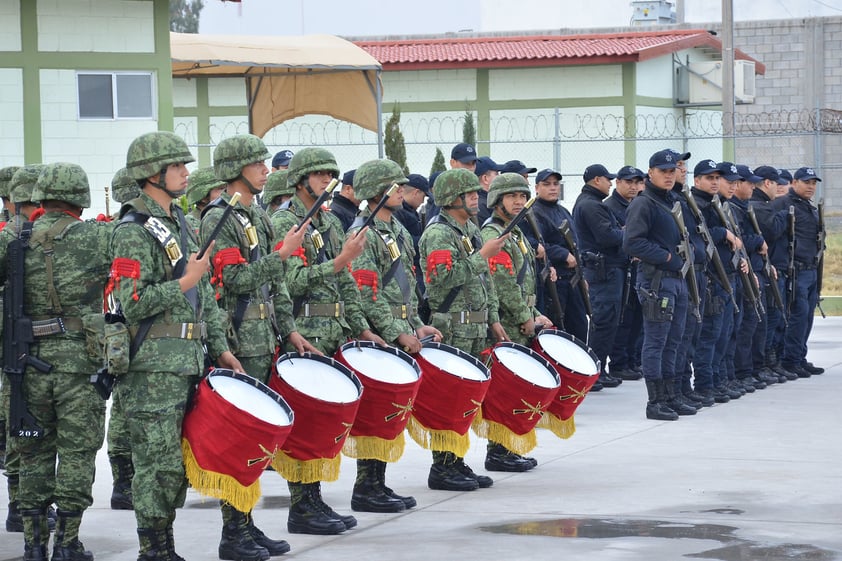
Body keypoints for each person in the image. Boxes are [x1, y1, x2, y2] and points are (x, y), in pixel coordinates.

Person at [109, 131, 243, 561]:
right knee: (156, 466)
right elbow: (131, 303)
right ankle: (154, 549)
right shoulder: (132, 230)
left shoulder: (178, 222)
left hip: (186, 362)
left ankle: (165, 545)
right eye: (177, 166)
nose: (186, 173)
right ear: (152, 174)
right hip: (151, 370)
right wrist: (182, 282)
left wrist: (219, 347)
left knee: (176, 467)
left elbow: (203, 296)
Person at [204, 134, 317, 559]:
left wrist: (288, 330)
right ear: (235, 169)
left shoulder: (255, 216)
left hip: (263, 339)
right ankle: (234, 533)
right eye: (257, 163)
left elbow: (276, 285)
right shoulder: (221, 217)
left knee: (255, 443)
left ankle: (246, 526)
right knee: (240, 439)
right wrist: (283, 255)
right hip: (238, 341)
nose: (266, 170)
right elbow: (232, 281)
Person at [270, 147, 385, 535]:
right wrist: (339, 262)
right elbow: (291, 281)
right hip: (305, 334)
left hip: (333, 333)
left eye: (329, 174)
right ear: (300, 180)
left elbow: (346, 282)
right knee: (307, 422)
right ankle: (301, 506)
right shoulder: (286, 222)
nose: (325, 180)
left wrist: (361, 326)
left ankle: (314, 500)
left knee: (324, 423)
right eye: (318, 174)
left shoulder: (330, 222)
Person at [1, 162, 110, 561]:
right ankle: (66, 542)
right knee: (77, 453)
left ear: (41, 197)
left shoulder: (14, 239)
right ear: (80, 198)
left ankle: (32, 545)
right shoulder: (97, 237)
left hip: (27, 364)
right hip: (80, 365)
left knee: (33, 453)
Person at [346, 159, 441, 512]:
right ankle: (365, 487)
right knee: (378, 412)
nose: (401, 191)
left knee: (391, 413)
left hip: (402, 331)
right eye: (394, 186)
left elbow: (405, 288)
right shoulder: (363, 234)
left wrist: (416, 324)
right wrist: (396, 333)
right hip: (384, 338)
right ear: (375, 191)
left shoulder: (396, 230)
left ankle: (378, 483)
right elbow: (366, 295)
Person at [419, 168, 507, 491]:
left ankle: (456, 460)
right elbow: (441, 280)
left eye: (475, 193)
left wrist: (493, 317)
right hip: (452, 327)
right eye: (469, 194)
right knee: (448, 400)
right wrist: (482, 256)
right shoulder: (438, 234)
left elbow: (486, 280)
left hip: (475, 326)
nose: (476, 198)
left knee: (465, 402)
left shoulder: (469, 228)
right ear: (450, 199)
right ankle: (442, 466)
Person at [480, 172, 552, 472]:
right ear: (497, 200)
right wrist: (525, 317)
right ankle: (497, 452)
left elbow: (524, 282)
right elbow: (503, 283)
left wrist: (534, 314)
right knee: (505, 391)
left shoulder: (516, 233)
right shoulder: (493, 234)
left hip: (522, 319)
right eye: (512, 196)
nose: (519, 201)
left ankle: (506, 447)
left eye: (522, 196)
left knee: (517, 391)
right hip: (508, 324)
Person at [2, 164, 53, 536]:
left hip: (22, 344)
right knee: (20, 427)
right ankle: (19, 507)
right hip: (15, 344)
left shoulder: (28, 235)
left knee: (20, 426)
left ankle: (21, 506)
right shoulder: (12, 239)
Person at [623, 150, 692, 420]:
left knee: (675, 340)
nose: (669, 175)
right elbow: (632, 242)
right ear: (650, 173)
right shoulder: (645, 203)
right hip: (657, 280)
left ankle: (671, 396)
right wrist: (667, 257)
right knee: (657, 341)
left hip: (676, 279)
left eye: (672, 170)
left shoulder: (673, 199)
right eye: (663, 171)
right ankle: (656, 402)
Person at [105, 168, 140, 512]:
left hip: (117, 326)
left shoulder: (112, 228)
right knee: (123, 407)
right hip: (128, 326)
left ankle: (123, 481)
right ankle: (123, 482)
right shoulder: (126, 230)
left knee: (121, 406)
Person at [573, 164, 624, 389]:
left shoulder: (593, 204)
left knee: (607, 321)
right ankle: (593, 372)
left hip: (606, 270)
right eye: (607, 179)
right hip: (602, 272)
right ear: (596, 180)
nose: (610, 183)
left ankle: (598, 370)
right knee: (603, 321)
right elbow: (607, 236)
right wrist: (626, 232)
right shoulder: (591, 206)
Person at [524, 169, 589, 345]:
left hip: (572, 278)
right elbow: (536, 244)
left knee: (580, 328)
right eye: (547, 184)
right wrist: (562, 254)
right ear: (537, 187)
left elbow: (575, 242)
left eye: (555, 184)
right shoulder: (533, 213)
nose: (553, 188)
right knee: (557, 330)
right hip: (554, 281)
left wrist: (581, 274)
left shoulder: (562, 210)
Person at [773, 167, 825, 378]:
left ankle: (799, 357)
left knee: (806, 318)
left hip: (811, 270)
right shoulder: (784, 204)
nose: (811, 186)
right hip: (796, 271)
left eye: (813, 183)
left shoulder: (809, 207)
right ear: (794, 182)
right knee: (797, 316)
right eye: (806, 182)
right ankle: (790, 360)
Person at [750, 166, 797, 381]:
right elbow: (773, 230)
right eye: (777, 184)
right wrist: (783, 214)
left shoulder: (765, 205)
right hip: (763, 269)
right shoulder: (761, 206)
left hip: (772, 267)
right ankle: (760, 366)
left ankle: (769, 362)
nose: (780, 189)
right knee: (767, 320)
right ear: (767, 183)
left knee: (775, 317)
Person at [604, 166, 644, 382]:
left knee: (637, 317)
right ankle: (619, 362)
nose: (633, 187)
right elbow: (616, 237)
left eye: (637, 183)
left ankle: (630, 360)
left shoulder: (636, 204)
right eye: (628, 182)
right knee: (624, 318)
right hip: (620, 268)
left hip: (637, 269)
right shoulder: (610, 206)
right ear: (618, 182)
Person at [392, 173, 429, 296]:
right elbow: (401, 241)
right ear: (416, 192)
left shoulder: (412, 212)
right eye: (423, 196)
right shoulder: (399, 213)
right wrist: (425, 241)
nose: (423, 201)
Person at [184, 167, 226, 234]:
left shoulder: (226, 216)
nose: (226, 192)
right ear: (203, 197)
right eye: (221, 188)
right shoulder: (191, 223)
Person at [474, 156, 503, 226]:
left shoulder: (487, 201)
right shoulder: (482, 205)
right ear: (485, 178)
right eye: (496, 174)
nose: (500, 177)